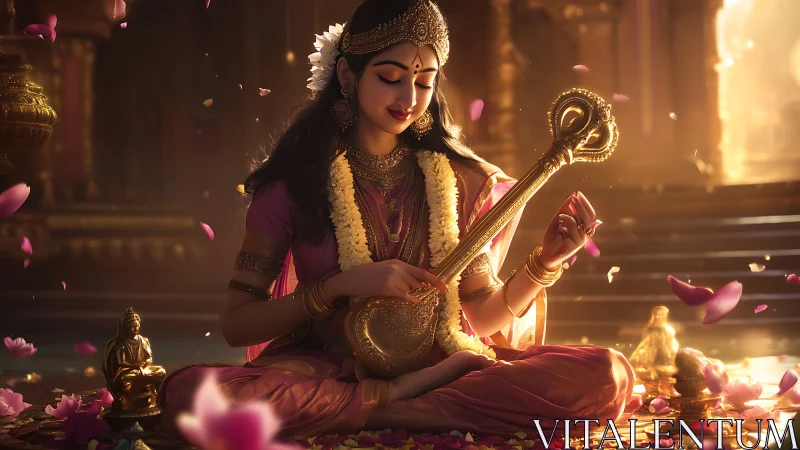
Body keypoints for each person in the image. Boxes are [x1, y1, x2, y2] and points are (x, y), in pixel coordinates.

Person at [159, 0, 633, 439]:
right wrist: (341, 287)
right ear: (347, 75)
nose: (410, 95)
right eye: (391, 76)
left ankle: (371, 410)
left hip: (445, 363)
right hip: (330, 366)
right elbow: (238, 325)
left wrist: (544, 264)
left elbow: (482, 315)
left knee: (608, 375)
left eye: (425, 81)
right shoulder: (294, 186)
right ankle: (402, 401)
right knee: (191, 396)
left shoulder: (458, 180)